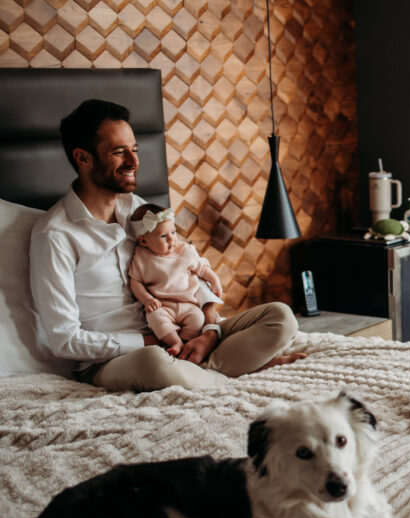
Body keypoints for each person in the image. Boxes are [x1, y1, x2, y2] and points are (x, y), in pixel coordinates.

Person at [29, 99, 304, 392]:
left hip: (184, 329)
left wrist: (209, 331)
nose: (134, 162)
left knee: (281, 317)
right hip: (119, 358)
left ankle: (203, 367)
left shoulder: (141, 213)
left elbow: (186, 266)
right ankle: (235, 372)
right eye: (119, 152)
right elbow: (65, 340)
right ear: (83, 159)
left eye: (134, 150)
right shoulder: (54, 235)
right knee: (155, 363)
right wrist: (152, 340)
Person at [127, 203, 224, 357]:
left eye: (173, 232)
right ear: (144, 241)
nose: (172, 239)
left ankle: (186, 342)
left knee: (197, 319)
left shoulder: (185, 251)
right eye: (164, 236)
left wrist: (215, 281)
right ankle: (175, 343)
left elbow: (202, 269)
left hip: (188, 304)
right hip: (163, 305)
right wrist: (147, 299)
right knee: (155, 318)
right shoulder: (142, 258)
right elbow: (135, 282)